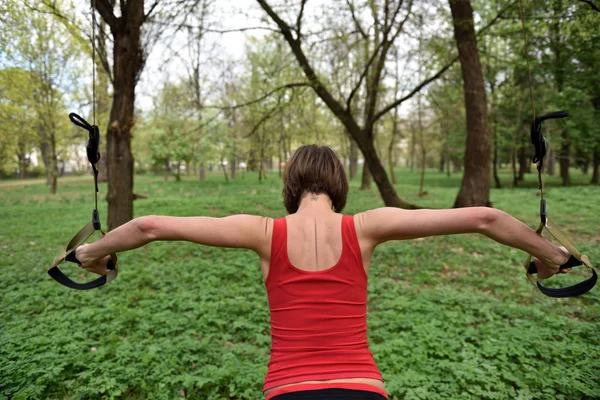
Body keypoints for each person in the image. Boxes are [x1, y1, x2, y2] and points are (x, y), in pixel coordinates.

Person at [74, 144, 571, 400]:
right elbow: (485, 217)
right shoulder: (368, 226)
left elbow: (150, 225)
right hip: (362, 389)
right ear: (336, 183)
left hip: (288, 389)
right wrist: (552, 256)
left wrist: (90, 253)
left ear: (292, 185)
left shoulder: (264, 232)